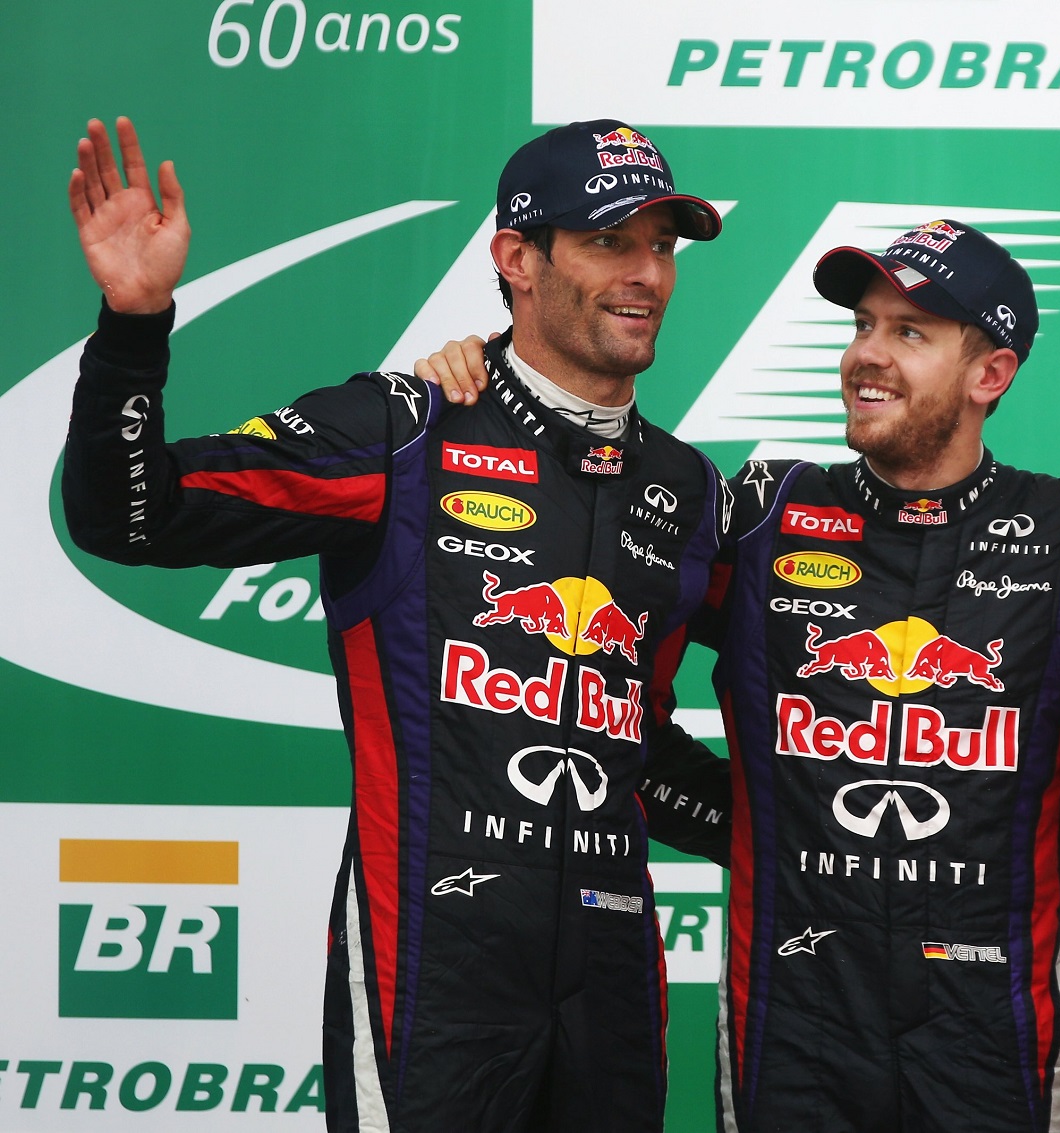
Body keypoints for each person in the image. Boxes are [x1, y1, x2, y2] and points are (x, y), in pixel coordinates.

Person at [418, 221, 1060, 1132]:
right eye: (863, 325)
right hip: (792, 1031)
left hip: (991, 1037)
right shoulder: (760, 512)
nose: (866, 354)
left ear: (990, 371)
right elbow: (600, 660)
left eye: (910, 331)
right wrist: (496, 390)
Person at [61, 115, 732, 1133]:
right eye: (608, 241)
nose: (644, 273)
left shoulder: (685, 487)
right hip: (431, 956)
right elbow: (130, 513)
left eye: (661, 245)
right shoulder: (401, 428)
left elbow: (633, 742)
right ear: (516, 258)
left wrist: (813, 836)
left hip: (611, 968)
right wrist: (134, 323)